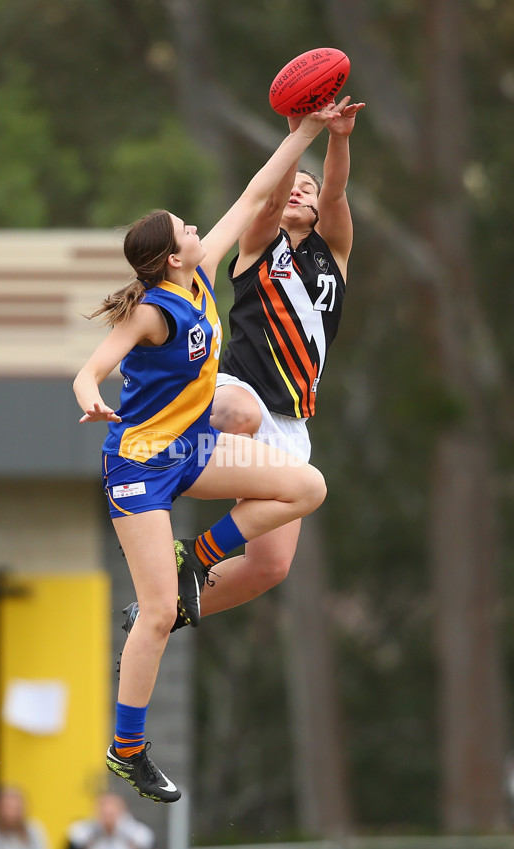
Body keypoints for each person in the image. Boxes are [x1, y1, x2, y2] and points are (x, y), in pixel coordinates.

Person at [73, 102, 347, 804]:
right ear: (171, 255)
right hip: (138, 467)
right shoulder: (152, 309)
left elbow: (259, 189)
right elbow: (93, 363)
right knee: (159, 615)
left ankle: (198, 557)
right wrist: (88, 390)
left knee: (306, 486)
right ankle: (126, 749)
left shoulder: (198, 274)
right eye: (185, 231)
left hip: (191, 451)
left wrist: (309, 130)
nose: (198, 230)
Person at [186, 99, 366, 621]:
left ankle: (166, 606)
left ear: (315, 210)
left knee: (270, 567)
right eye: (292, 187)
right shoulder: (261, 243)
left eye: (306, 192)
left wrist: (340, 137)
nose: (299, 193)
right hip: (237, 390)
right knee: (240, 415)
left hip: (292, 424)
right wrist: (299, 135)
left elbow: (334, 189)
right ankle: (162, 448)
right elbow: (266, 199)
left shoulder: (333, 251)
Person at [64, 791, 161, 849]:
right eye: (104, 813)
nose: (108, 818)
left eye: (112, 813)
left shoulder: (140, 835)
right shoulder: (81, 834)